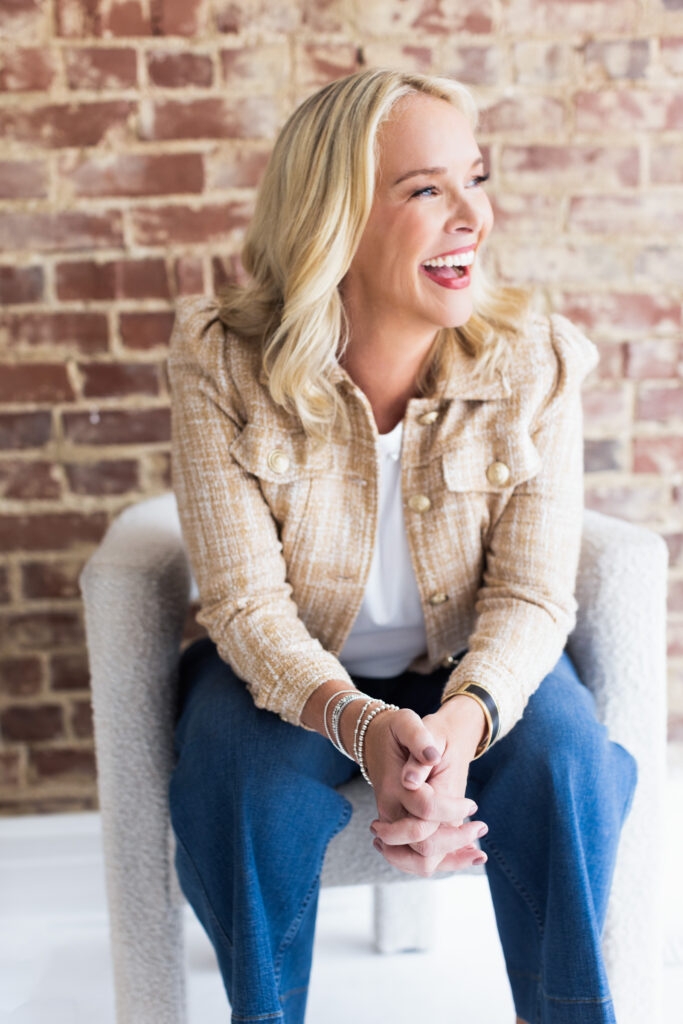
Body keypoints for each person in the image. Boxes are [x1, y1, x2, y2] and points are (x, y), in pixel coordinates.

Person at [167, 68, 638, 1024]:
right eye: (426, 189)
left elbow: (532, 598)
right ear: (331, 217)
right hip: (296, 679)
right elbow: (244, 607)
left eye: (478, 177)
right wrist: (360, 726)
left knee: (567, 759)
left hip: (465, 667)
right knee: (236, 783)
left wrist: (456, 731)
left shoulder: (534, 362)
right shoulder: (221, 361)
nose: (472, 214)